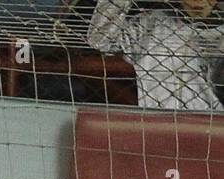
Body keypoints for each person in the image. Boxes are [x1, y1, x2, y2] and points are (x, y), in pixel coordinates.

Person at [87, 0, 224, 110]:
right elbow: (100, 41)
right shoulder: (152, 22)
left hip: (211, 128)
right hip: (156, 127)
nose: (197, 2)